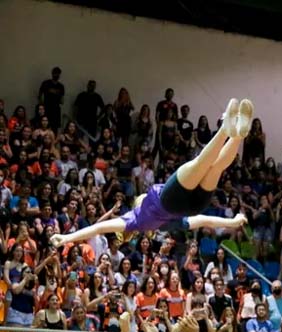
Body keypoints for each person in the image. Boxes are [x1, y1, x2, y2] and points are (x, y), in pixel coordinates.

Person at [50, 98, 254, 248]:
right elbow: (98, 228)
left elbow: (204, 220)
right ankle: (226, 130)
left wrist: (233, 222)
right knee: (202, 163)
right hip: (170, 200)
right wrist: (66, 238)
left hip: (191, 206)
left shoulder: (162, 225)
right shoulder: (134, 219)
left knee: (215, 166)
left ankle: (238, 135)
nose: (139, 197)